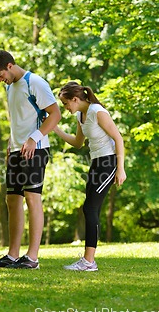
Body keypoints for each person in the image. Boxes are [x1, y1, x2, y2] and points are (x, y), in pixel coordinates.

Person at [0, 50, 61, 269]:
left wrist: (33, 139)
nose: (0, 80)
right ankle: (12, 255)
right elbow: (18, 119)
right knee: (12, 199)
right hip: (17, 150)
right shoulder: (10, 87)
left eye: (0, 75)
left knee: (32, 197)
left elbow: (55, 114)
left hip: (36, 149)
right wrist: (12, 143)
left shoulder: (34, 82)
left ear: (10, 66)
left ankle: (33, 258)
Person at [53, 81, 126, 271]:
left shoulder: (97, 111)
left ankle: (89, 262)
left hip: (108, 163)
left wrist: (121, 168)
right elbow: (78, 142)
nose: (66, 108)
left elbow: (118, 138)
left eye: (66, 104)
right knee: (89, 208)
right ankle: (88, 261)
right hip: (96, 163)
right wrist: (55, 129)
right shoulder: (81, 115)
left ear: (75, 99)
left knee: (91, 207)